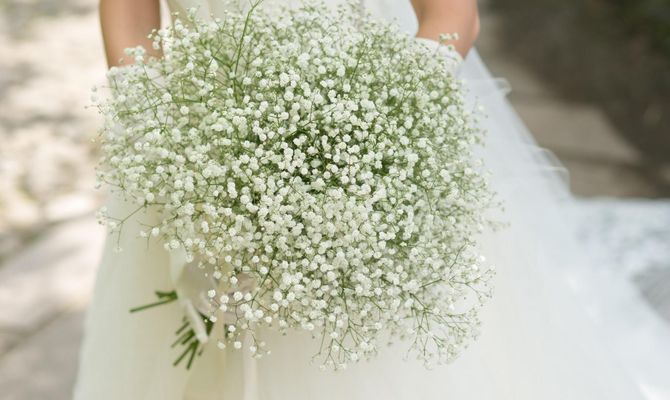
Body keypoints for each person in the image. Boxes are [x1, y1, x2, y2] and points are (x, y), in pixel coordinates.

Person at [74, 1, 665, 399]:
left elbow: (453, 14)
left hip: (374, 174)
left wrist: (374, 141)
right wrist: (168, 144)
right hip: (201, 161)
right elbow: (129, 16)